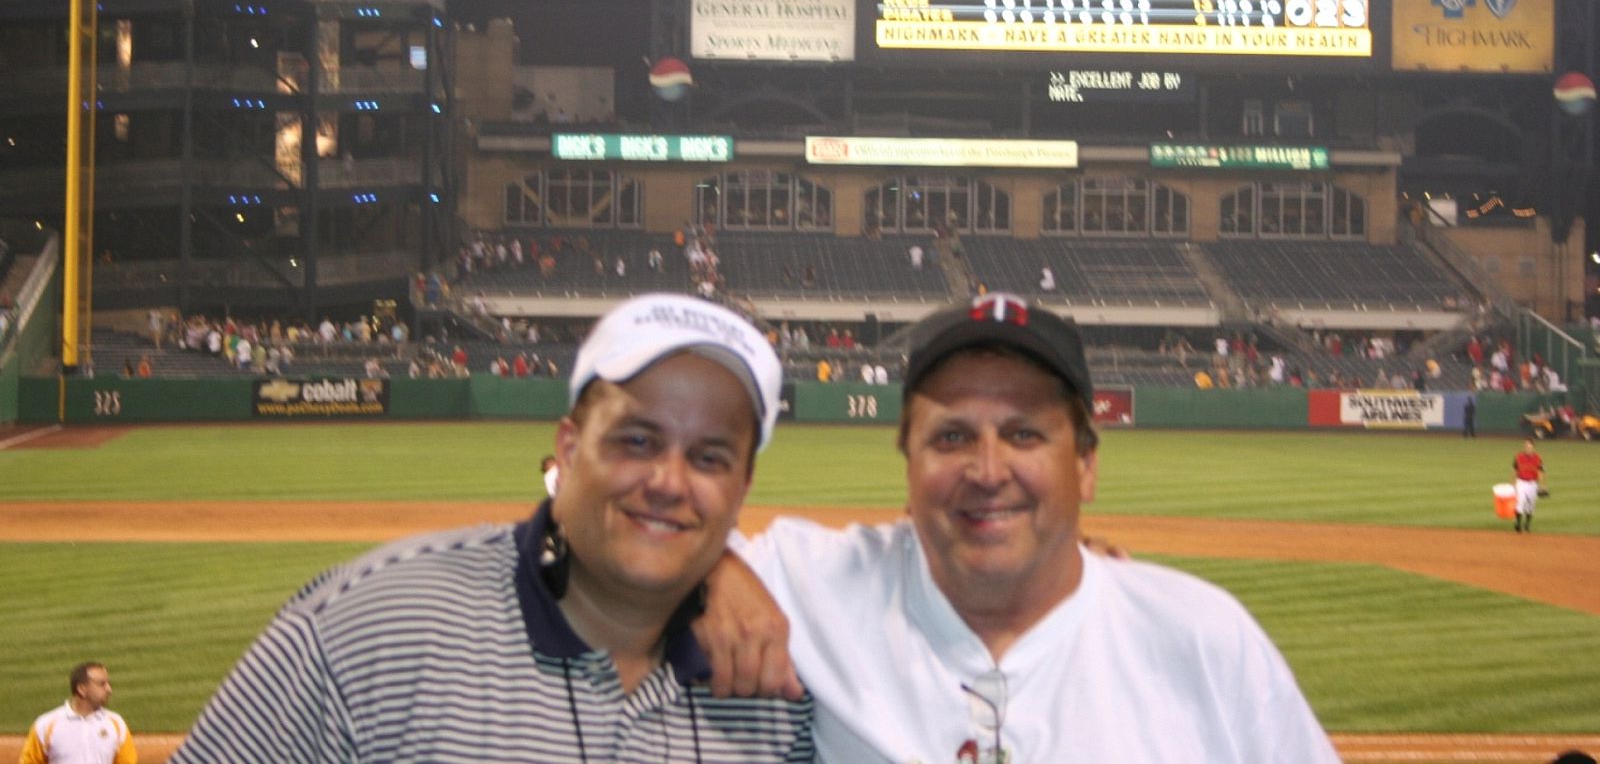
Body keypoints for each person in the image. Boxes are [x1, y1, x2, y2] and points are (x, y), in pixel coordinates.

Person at [171, 293, 812, 763]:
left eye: (709, 457)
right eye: (638, 440)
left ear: (743, 488)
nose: (670, 481)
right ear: (566, 449)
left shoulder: (789, 686)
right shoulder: (364, 630)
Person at [703, 292, 1338, 762]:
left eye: (1023, 433)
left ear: (1085, 465)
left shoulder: (1204, 639)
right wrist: (712, 570)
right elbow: (617, 539)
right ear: (908, 463)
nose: (986, 470)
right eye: (951, 436)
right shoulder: (804, 583)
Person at [21, 661, 138, 764]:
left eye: (108, 684)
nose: (109, 689)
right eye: (102, 684)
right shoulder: (46, 724)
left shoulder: (116, 723)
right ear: (82, 689)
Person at [1512, 439, 1544, 533]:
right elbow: (1515, 470)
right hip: (1521, 482)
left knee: (1531, 506)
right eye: (1526, 445)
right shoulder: (1519, 456)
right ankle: (1518, 524)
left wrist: (1541, 485)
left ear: (1533, 447)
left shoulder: (1538, 458)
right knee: (1520, 502)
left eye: (1529, 445)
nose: (1527, 447)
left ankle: (1527, 525)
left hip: (1533, 484)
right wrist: (1513, 483)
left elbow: (1540, 471)